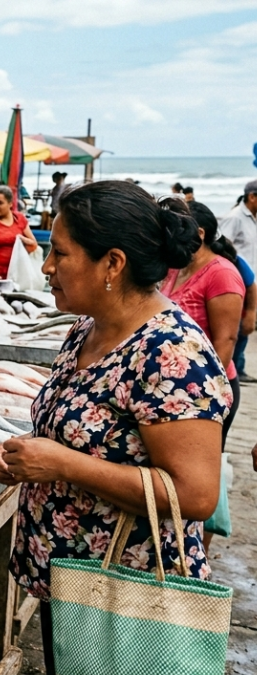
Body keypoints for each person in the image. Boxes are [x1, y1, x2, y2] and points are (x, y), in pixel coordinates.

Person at [0, 181, 230, 675]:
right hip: (70, 579)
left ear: (113, 264)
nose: (46, 266)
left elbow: (197, 494)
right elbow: (79, 430)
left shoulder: (170, 352)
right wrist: (27, 456)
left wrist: (63, 464)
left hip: (128, 596)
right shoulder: (88, 325)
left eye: (60, 252)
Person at [161, 200, 246, 551]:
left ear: (198, 233)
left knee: (198, 477)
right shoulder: (173, 268)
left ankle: (197, 551)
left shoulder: (222, 273)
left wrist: (206, 396)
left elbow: (225, 340)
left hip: (210, 390)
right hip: (176, 389)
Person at [218, 179, 257, 381]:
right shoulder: (235, 218)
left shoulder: (253, 219)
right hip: (236, 282)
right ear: (252, 197)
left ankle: (238, 368)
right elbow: (223, 248)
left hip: (251, 280)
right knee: (235, 328)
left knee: (245, 328)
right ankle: (232, 369)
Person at [0, 186, 38, 278]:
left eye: (0, 203)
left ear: (10, 204)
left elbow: (33, 245)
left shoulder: (19, 219)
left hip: (16, 274)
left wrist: (20, 239)